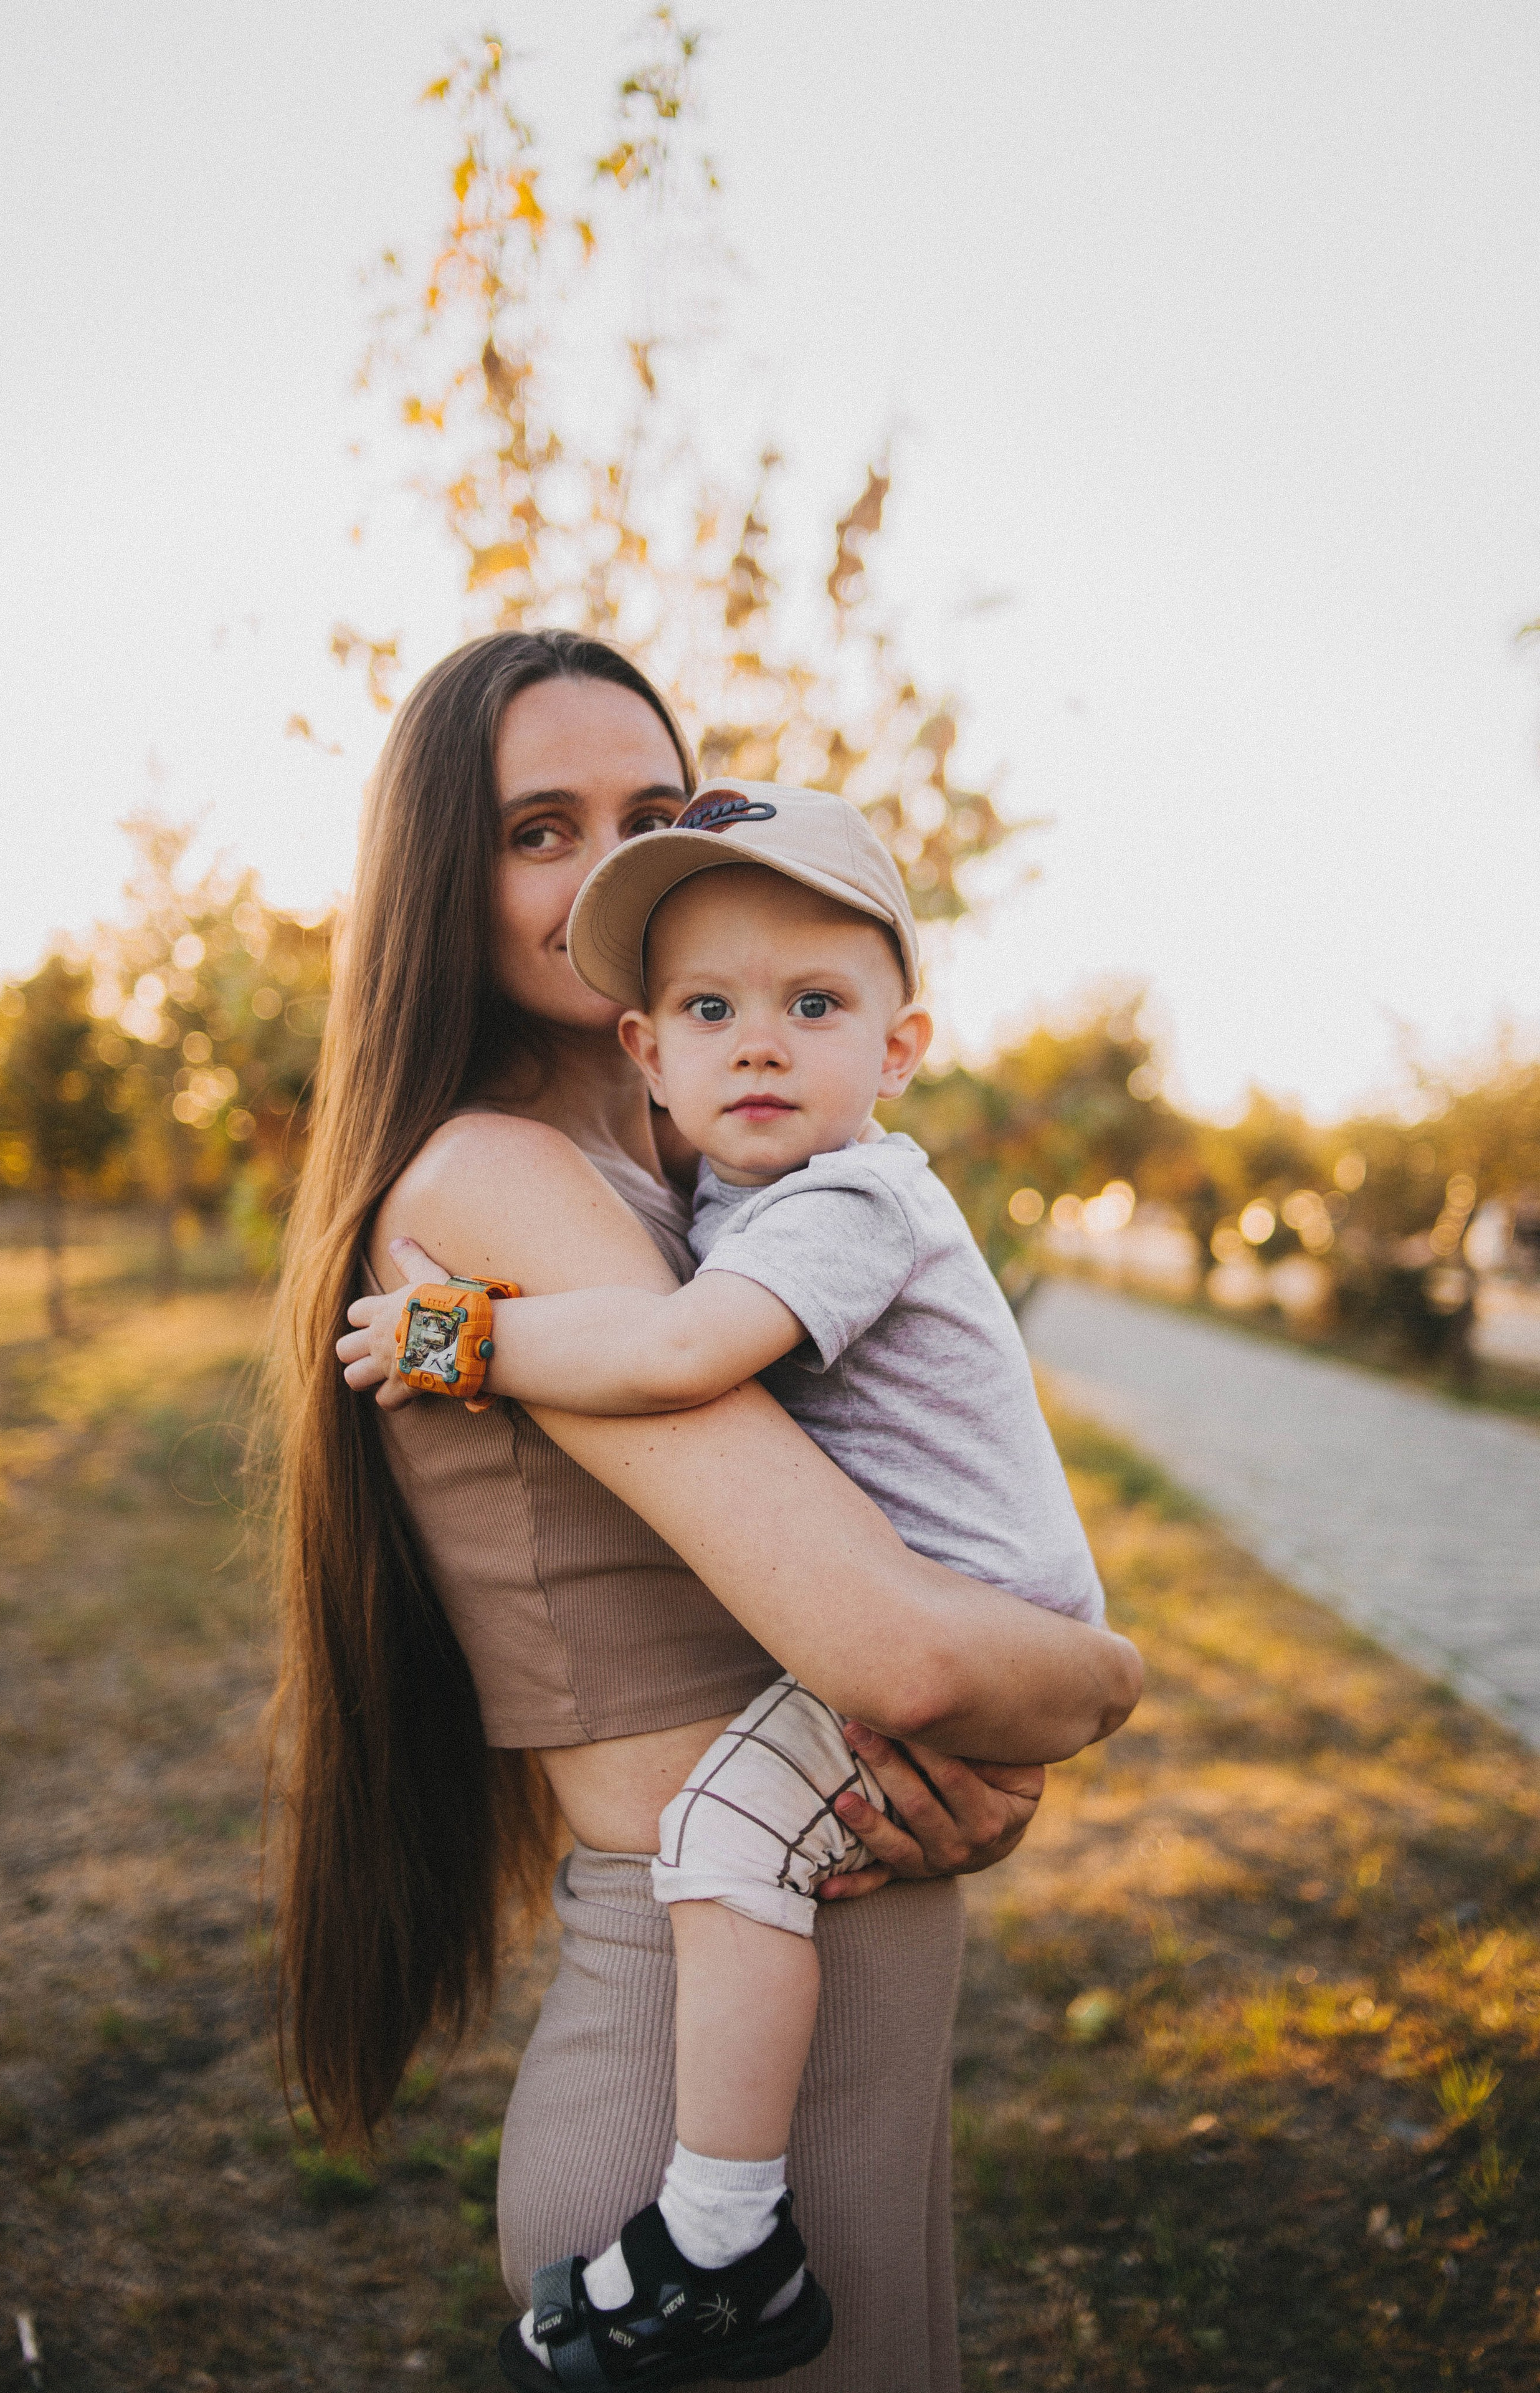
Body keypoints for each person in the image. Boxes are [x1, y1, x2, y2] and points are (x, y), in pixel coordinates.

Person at [282, 628, 1143, 2393]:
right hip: (712, 2086)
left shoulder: (706, 1184)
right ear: (441, 879)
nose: (605, 865)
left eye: (651, 814)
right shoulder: (509, 1176)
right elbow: (891, 1650)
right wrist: (1095, 1688)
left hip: (832, 2010)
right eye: (540, 829)